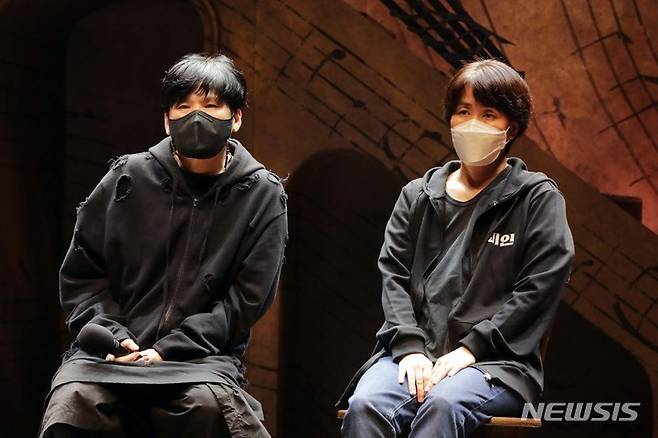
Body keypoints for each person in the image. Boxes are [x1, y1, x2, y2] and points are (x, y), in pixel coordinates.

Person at [38, 53, 288, 438]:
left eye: (211, 106)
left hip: (202, 358)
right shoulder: (127, 178)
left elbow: (246, 299)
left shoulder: (262, 195)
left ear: (236, 117)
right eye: (183, 107)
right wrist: (113, 336)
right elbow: (83, 273)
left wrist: (169, 349)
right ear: (167, 120)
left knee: (207, 409)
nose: (197, 117)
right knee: (73, 404)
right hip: (110, 352)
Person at [338, 59, 575, 438]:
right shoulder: (417, 195)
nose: (472, 123)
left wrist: (472, 349)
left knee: (443, 405)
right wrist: (410, 348)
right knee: (366, 405)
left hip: (496, 363)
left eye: (488, 114)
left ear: (511, 127)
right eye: (463, 111)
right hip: (412, 354)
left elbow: (541, 285)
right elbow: (393, 275)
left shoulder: (536, 198)